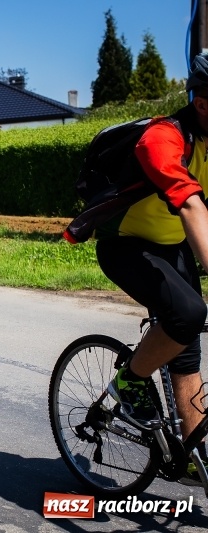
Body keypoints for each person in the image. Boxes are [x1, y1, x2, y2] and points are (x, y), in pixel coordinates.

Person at [100, 53, 208, 484]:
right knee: (188, 315)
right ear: (202, 103)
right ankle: (129, 382)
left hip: (173, 244)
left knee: (188, 348)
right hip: (126, 244)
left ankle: (190, 457)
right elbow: (192, 205)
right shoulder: (163, 138)